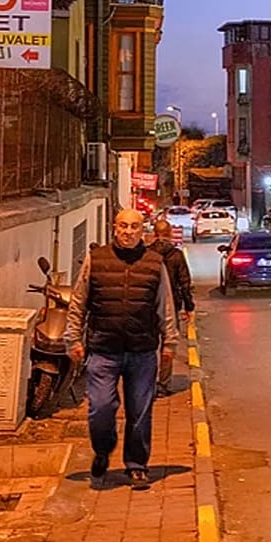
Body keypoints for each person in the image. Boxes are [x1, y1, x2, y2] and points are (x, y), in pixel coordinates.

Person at [66, 208, 181, 490]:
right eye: (123, 226)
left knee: (140, 411)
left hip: (142, 351)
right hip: (103, 350)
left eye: (134, 226)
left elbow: (164, 306)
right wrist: (73, 339)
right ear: (114, 228)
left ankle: (137, 465)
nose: (128, 232)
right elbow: (79, 301)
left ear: (143, 230)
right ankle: (103, 450)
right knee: (101, 408)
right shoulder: (96, 259)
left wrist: (170, 343)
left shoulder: (155, 263)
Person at [150, 219, 196, 396]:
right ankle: (163, 384)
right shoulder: (176, 255)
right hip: (172, 307)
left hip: (149, 307)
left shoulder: (147, 254)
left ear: (154, 234)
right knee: (168, 346)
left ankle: (148, 382)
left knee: (149, 347)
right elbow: (185, 283)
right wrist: (189, 307)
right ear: (169, 234)